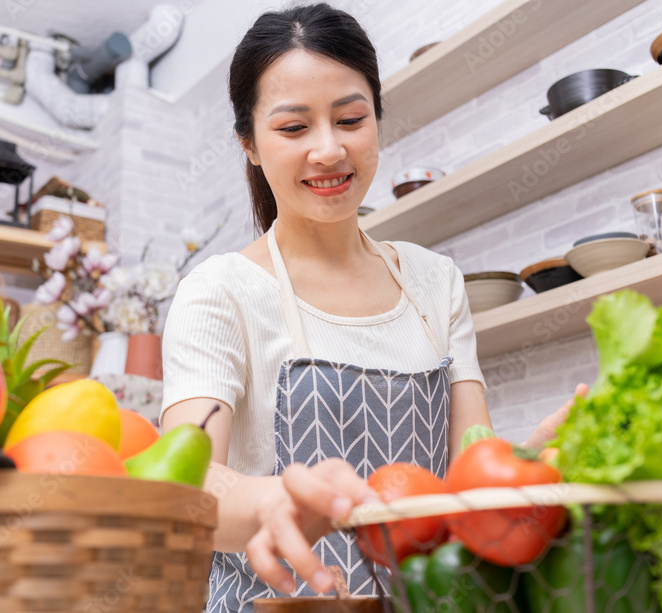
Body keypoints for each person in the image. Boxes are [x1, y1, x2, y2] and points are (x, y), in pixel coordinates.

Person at [159, 4, 586, 611]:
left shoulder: (435, 282)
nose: (329, 150)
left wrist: (528, 462)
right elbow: (189, 483)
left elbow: (468, 475)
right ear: (249, 144)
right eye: (293, 128)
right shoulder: (220, 290)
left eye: (351, 118)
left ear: (377, 121)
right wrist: (271, 501)